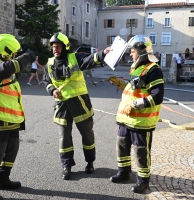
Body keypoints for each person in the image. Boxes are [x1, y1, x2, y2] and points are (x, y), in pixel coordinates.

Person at [42, 32, 112, 180]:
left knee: (87, 135)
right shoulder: (49, 64)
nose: (56, 49)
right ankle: (66, 166)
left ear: (65, 47)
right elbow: (46, 81)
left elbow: (90, 59)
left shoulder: (75, 58)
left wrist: (102, 53)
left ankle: (90, 162)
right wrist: (52, 90)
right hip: (62, 107)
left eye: (58, 46)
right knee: (64, 138)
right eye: (54, 47)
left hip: (80, 104)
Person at [0, 33, 35, 200]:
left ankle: (3, 179)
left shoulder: (5, 62)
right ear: (6, 51)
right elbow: (2, 71)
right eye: (15, 53)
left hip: (11, 119)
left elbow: (12, 70)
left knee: (11, 151)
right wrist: (26, 57)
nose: (16, 55)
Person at [108, 34, 164, 194]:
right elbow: (134, 88)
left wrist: (134, 105)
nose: (130, 54)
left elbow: (157, 96)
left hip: (141, 122)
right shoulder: (136, 67)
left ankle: (143, 182)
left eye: (133, 51)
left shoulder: (154, 70)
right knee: (122, 146)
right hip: (126, 119)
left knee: (141, 152)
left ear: (141, 52)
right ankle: (124, 173)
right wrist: (120, 83)